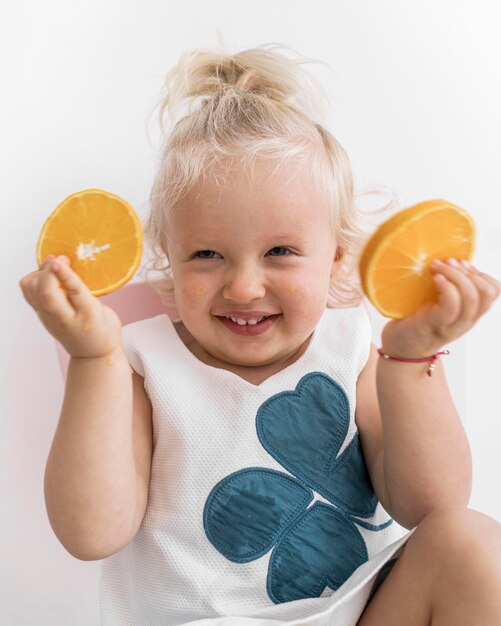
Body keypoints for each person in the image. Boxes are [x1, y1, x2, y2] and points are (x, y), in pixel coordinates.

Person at [20, 43, 501, 626]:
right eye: (206, 255)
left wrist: (411, 357)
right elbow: (91, 532)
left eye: (280, 251)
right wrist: (93, 357)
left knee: (471, 541)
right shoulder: (145, 363)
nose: (245, 287)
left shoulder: (350, 344)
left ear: (336, 260)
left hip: (358, 613)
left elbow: (433, 507)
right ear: (169, 261)